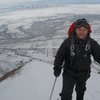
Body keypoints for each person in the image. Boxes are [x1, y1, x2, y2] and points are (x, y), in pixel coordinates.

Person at [53, 18, 100, 100]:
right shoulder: (68, 42)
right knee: (66, 94)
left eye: (84, 30)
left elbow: (99, 55)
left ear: (87, 31)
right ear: (75, 30)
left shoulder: (91, 43)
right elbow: (60, 55)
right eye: (79, 29)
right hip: (69, 73)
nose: (82, 32)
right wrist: (57, 66)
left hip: (83, 73)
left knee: (80, 92)